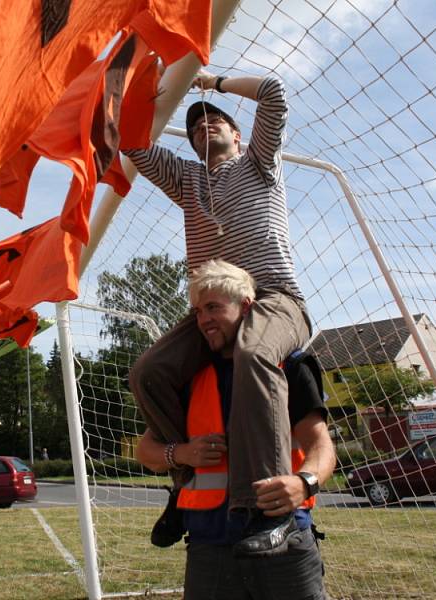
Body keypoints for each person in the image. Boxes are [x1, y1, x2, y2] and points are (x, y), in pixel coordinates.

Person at [124, 69, 311, 554]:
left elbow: (273, 93)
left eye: (215, 122)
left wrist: (209, 82)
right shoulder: (186, 180)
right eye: (191, 127)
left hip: (273, 298)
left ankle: (269, 508)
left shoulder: (259, 164)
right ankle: (183, 481)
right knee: (148, 371)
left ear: (237, 133)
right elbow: (130, 141)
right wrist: (139, 85)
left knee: (252, 354)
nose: (202, 125)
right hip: (214, 305)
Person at [135, 260, 335, 599]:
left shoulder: (290, 367)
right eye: (198, 311)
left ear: (246, 307)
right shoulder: (188, 378)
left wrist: (304, 483)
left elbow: (322, 448)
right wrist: (181, 453)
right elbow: (146, 452)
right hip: (208, 546)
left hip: (284, 542)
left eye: (213, 307)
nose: (203, 320)